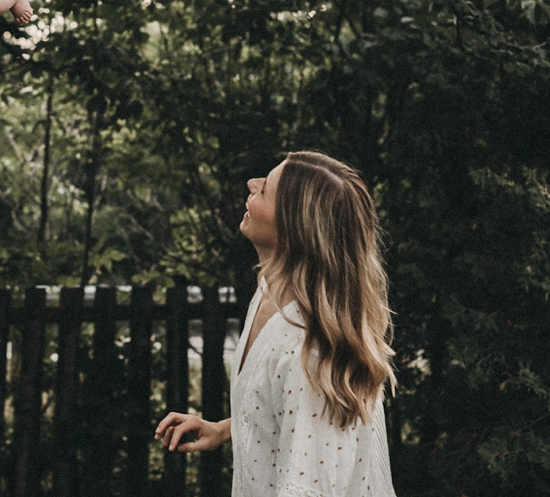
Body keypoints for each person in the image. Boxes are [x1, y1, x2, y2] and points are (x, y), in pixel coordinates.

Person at [155, 152, 397, 496]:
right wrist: (228, 428)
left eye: (265, 190)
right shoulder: (271, 292)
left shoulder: (310, 352)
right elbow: (296, 420)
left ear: (290, 234)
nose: (252, 185)